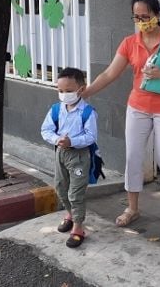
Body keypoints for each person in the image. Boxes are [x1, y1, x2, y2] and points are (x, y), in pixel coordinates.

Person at [81, 0, 160, 227]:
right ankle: (132, 208)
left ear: (157, 14)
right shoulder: (129, 43)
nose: (142, 21)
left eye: (146, 16)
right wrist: (89, 91)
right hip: (139, 107)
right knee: (133, 156)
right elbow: (111, 73)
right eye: (137, 17)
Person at [40, 68, 97, 248]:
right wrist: (57, 139)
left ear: (81, 89)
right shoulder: (56, 110)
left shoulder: (88, 112)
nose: (64, 95)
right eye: (61, 91)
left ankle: (79, 228)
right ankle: (70, 215)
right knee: (61, 186)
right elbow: (46, 130)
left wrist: (72, 141)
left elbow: (91, 136)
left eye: (69, 90)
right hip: (61, 153)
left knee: (76, 192)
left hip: (79, 155)